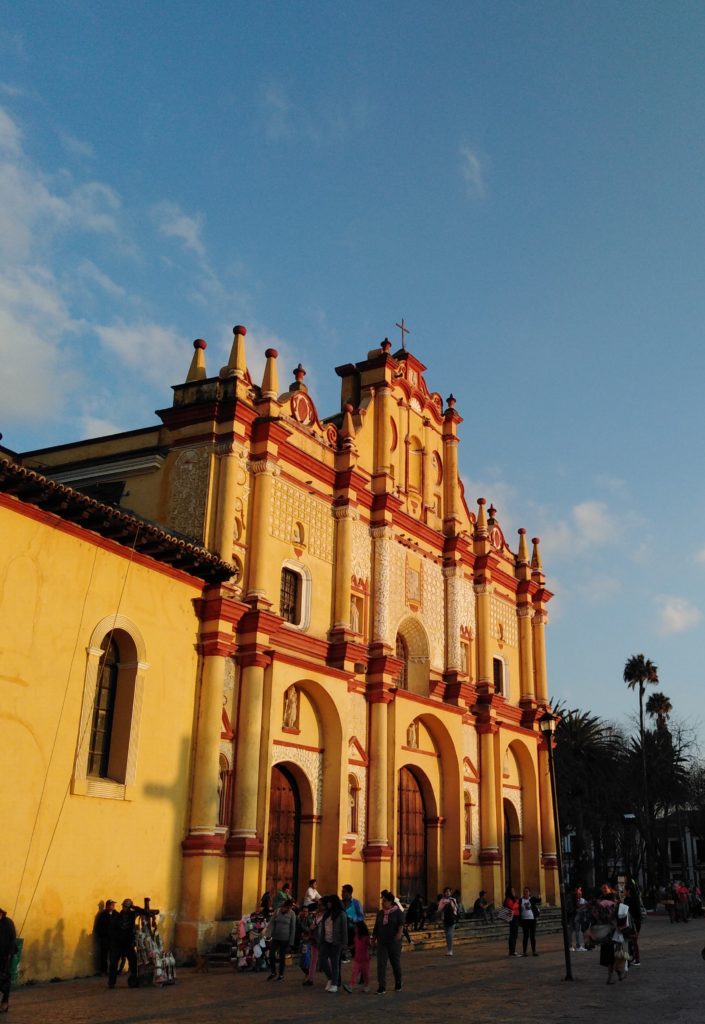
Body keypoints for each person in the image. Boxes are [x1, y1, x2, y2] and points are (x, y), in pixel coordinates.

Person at [108, 899, 150, 989]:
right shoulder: (117, 916)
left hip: (128, 943)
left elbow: (145, 912)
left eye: (127, 907)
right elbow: (112, 930)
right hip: (118, 944)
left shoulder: (132, 915)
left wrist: (134, 907)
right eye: (124, 906)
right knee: (113, 963)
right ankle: (111, 983)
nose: (125, 908)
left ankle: (133, 980)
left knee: (133, 961)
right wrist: (115, 939)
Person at [372, 892, 404, 993]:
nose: (382, 902)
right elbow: (376, 926)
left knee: (395, 963)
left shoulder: (398, 912)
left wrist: (399, 934)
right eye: (382, 900)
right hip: (382, 942)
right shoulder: (380, 913)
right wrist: (373, 937)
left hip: (394, 942)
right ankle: (382, 986)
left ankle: (398, 982)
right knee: (381, 964)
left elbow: (401, 925)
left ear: (390, 902)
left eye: (385, 900)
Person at [319, 895, 347, 993]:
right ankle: (331, 978)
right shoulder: (327, 914)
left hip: (336, 942)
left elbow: (344, 930)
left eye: (330, 902)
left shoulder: (341, 914)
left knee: (335, 963)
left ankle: (334, 984)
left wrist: (344, 944)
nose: (328, 904)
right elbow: (323, 927)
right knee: (322, 960)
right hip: (326, 941)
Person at [266, 898, 296, 981]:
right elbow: (271, 923)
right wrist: (268, 934)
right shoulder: (277, 911)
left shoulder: (292, 914)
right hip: (276, 937)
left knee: (282, 957)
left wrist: (291, 942)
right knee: (271, 954)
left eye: (289, 908)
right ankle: (273, 972)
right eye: (287, 907)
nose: (287, 909)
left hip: (285, 939)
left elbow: (293, 928)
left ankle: (281, 974)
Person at [0, 907, 17, 1014]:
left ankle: (4, 1003)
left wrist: (9, 954)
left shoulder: (8, 923)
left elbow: (13, 939)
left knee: (4, 979)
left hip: (6, 956)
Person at [341, 884, 364, 960]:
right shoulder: (340, 904)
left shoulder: (356, 903)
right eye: (342, 892)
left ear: (349, 893)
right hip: (342, 930)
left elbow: (361, 916)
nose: (342, 894)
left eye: (344, 892)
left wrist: (353, 919)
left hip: (352, 929)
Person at [94, 899, 117, 974]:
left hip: (113, 939)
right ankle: (103, 970)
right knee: (104, 955)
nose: (113, 906)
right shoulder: (102, 915)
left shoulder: (116, 914)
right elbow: (99, 927)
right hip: (105, 939)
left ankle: (112, 970)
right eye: (112, 905)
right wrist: (102, 935)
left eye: (114, 905)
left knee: (113, 956)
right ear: (107, 906)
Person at [519, 886, 541, 956]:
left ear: (529, 893)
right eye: (524, 891)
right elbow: (518, 909)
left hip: (532, 920)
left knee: (532, 936)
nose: (525, 893)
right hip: (524, 920)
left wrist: (540, 896)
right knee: (525, 936)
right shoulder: (520, 900)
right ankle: (524, 952)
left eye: (527, 891)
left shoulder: (532, 899)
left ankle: (534, 951)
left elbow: (539, 900)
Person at [624, 883, 642, 966]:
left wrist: (637, 927)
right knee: (629, 942)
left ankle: (637, 959)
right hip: (627, 923)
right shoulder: (626, 899)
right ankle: (631, 957)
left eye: (625, 890)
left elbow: (638, 915)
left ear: (628, 891)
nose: (624, 892)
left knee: (634, 942)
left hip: (634, 923)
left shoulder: (634, 900)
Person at [437, 887, 458, 956]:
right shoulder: (442, 900)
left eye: (449, 891)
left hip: (452, 918)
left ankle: (450, 950)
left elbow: (455, 909)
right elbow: (439, 909)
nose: (447, 893)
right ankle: (449, 949)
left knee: (449, 934)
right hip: (445, 918)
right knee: (447, 934)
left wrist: (451, 904)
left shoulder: (453, 900)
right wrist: (444, 905)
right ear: (444, 893)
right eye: (446, 891)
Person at [352, 919, 371, 992]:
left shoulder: (366, 937)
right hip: (357, 958)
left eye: (356, 928)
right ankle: (351, 985)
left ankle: (367, 985)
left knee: (365, 973)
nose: (355, 929)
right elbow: (355, 945)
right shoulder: (356, 937)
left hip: (365, 959)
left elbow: (369, 945)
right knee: (354, 972)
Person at [568, 886, 588, 952]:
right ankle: (578, 946)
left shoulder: (572, 896)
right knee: (577, 931)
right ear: (576, 889)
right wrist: (582, 907)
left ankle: (571, 946)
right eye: (579, 890)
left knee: (572, 931)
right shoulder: (574, 897)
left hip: (573, 915)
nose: (580, 891)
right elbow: (576, 907)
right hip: (575, 916)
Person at [504, 886, 520, 957]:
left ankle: (513, 950)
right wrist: (516, 902)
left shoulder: (513, 899)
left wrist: (516, 902)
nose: (514, 892)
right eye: (512, 891)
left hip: (516, 917)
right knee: (513, 934)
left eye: (514, 891)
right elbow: (512, 907)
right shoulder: (508, 899)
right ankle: (512, 951)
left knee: (515, 934)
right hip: (512, 918)